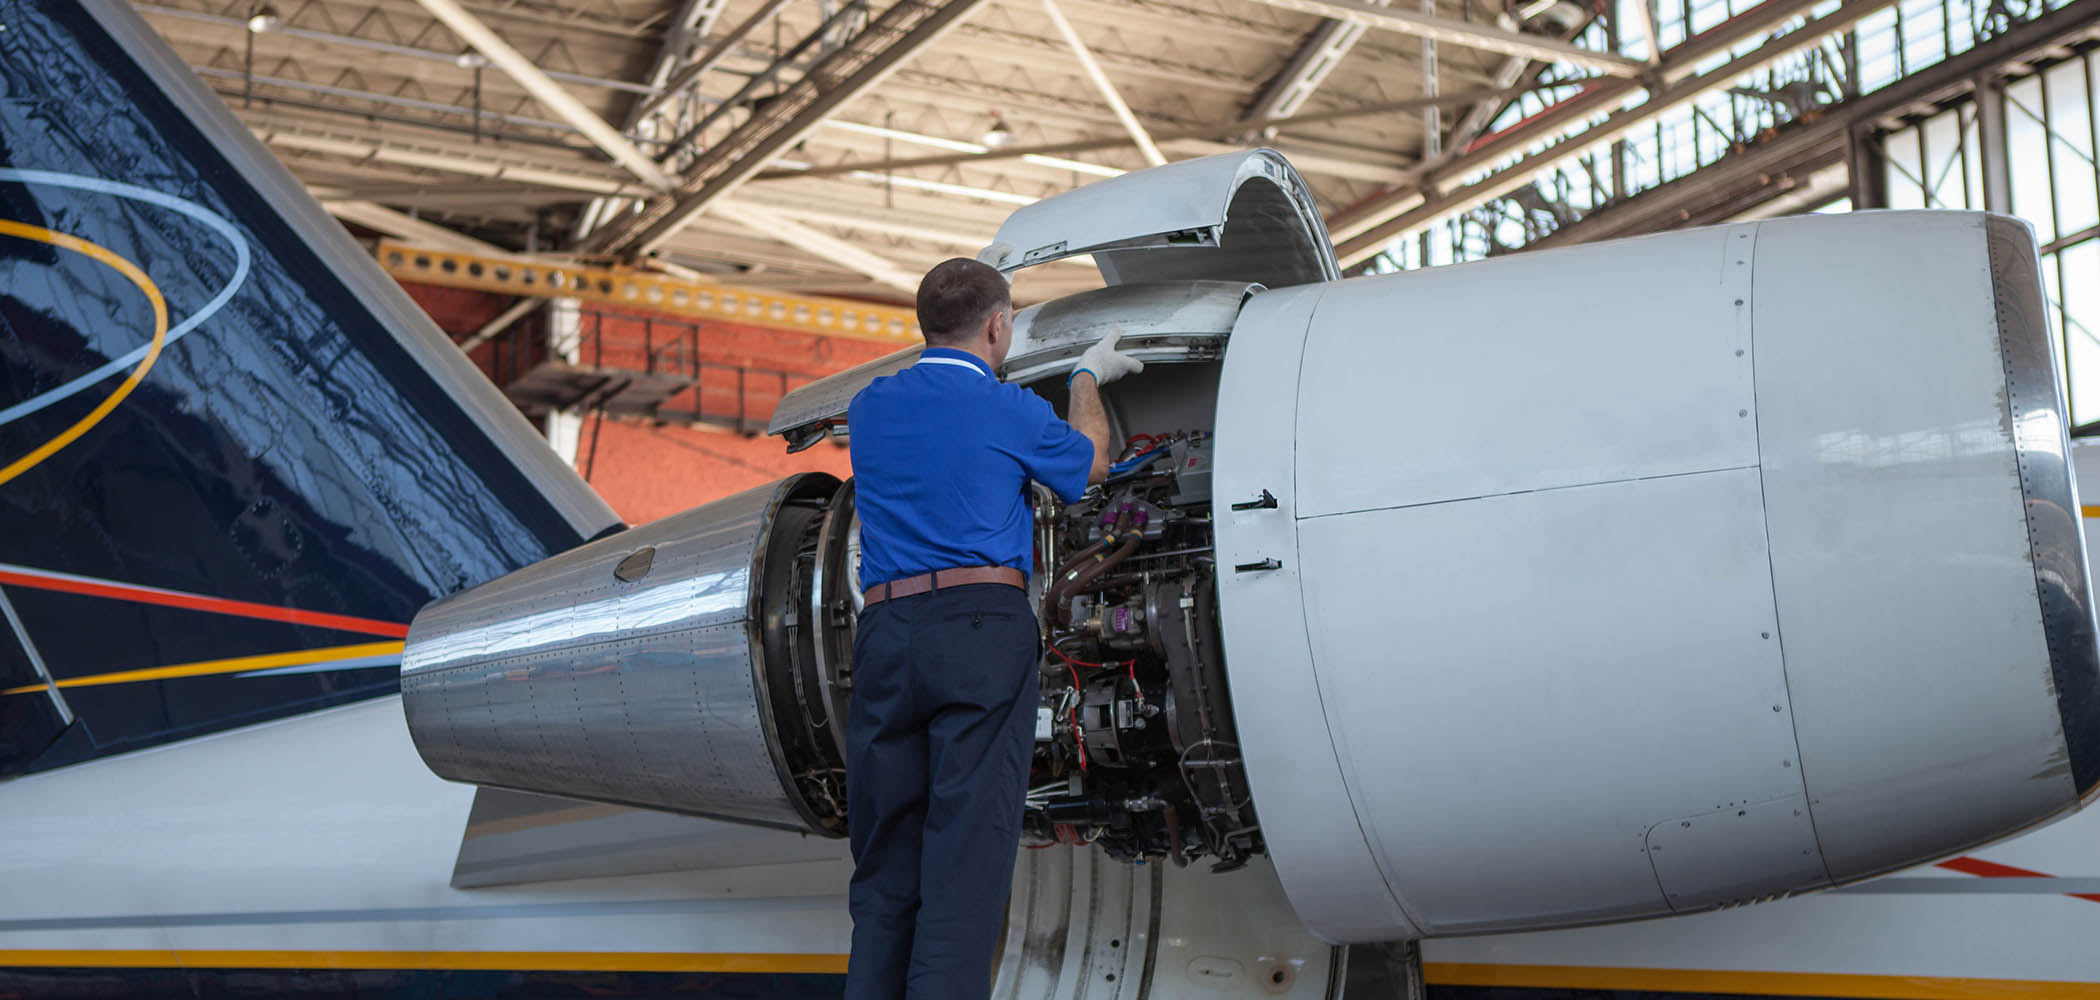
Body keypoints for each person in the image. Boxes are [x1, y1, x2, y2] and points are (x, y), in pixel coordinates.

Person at [843, 257, 1142, 1000]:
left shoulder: (870, 406)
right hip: (976, 630)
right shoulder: (1006, 410)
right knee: (964, 864)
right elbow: (1094, 462)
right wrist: (1084, 377)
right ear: (998, 325)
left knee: (886, 868)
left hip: (885, 632)